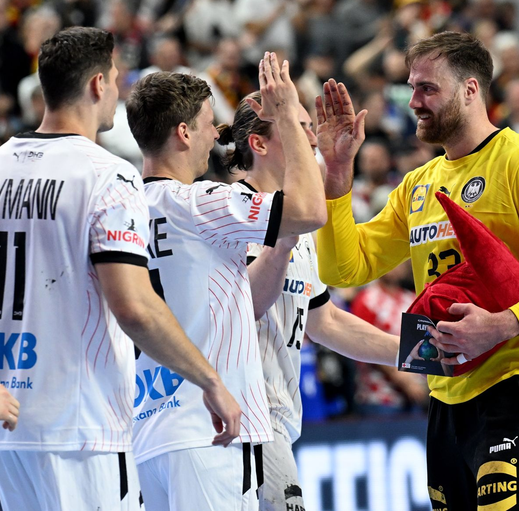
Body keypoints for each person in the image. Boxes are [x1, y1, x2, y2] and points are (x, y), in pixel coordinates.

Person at [316, 31, 519, 510]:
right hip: (447, 393)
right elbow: (346, 266)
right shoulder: (418, 184)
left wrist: (502, 325)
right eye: (412, 88)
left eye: (427, 88)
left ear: (471, 90)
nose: (414, 101)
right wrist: (336, 179)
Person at [0, 27, 241, 510]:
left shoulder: (1, 163)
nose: (117, 88)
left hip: (10, 427)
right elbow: (133, 306)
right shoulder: (107, 174)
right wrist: (210, 380)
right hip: (82, 427)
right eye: (114, 77)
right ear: (96, 85)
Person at [124, 53, 327, 511]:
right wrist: (289, 117)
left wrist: (280, 249)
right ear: (183, 133)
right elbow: (312, 211)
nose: (216, 135)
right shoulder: (202, 202)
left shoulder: (118, 207)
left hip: (145, 436)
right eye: (207, 124)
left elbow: (247, 296)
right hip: (212, 429)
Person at [218, 87, 403, 511]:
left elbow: (326, 323)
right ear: (259, 143)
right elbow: (245, 306)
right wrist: (281, 241)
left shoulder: (299, 225)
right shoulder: (229, 211)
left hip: (278, 419)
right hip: (239, 417)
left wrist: (417, 352)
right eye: (298, 127)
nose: (313, 139)